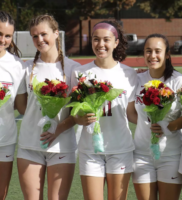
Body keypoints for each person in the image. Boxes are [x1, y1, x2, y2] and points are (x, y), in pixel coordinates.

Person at [71, 20, 138, 200]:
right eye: (96, 39)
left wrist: (158, 121)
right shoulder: (79, 73)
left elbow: (131, 114)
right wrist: (79, 119)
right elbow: (75, 111)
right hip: (90, 150)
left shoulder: (129, 74)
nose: (101, 44)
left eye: (106, 40)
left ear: (116, 42)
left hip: (120, 148)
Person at [17, 15, 81, 200]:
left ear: (56, 33)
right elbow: (22, 107)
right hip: (29, 145)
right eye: (34, 36)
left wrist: (57, 128)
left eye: (44, 34)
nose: (39, 40)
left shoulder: (73, 69)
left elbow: (76, 113)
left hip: (61, 146)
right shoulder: (26, 69)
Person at [130, 33, 182, 200]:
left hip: (171, 155)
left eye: (157, 51)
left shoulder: (179, 81)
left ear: (167, 54)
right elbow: (130, 112)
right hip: (141, 155)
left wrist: (169, 126)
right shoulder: (137, 79)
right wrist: (147, 124)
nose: (152, 56)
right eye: (148, 51)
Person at [0, 11, 27, 200]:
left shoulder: (17, 66)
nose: (2, 40)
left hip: (3, 140)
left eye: (7, 36)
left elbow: (21, 106)